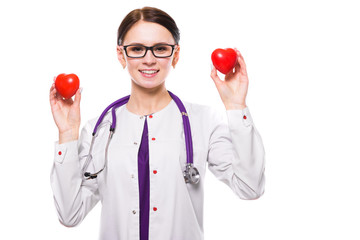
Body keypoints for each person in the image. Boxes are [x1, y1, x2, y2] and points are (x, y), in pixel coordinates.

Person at [49, 6, 265, 240]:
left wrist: (236, 107)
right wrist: (68, 134)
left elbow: (250, 187)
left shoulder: (204, 121)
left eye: (160, 49)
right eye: (137, 49)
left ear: (176, 54)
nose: (149, 60)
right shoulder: (97, 129)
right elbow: (70, 214)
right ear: (122, 55)